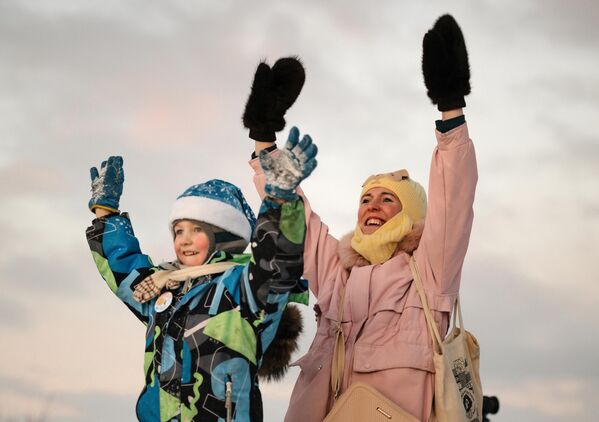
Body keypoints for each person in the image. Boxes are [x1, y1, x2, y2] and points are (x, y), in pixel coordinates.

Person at [244, 15, 477, 422]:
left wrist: (450, 110)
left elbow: (453, 201)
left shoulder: (428, 270)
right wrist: (265, 138)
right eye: (367, 198)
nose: (372, 206)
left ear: (413, 217)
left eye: (388, 200)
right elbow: (294, 216)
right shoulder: (338, 273)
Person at [85, 129, 317, 422]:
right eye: (178, 230)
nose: (184, 239)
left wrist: (280, 199)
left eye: (197, 230)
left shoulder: (244, 287)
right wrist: (106, 213)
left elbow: (277, 258)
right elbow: (123, 270)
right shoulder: (164, 289)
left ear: (223, 236)